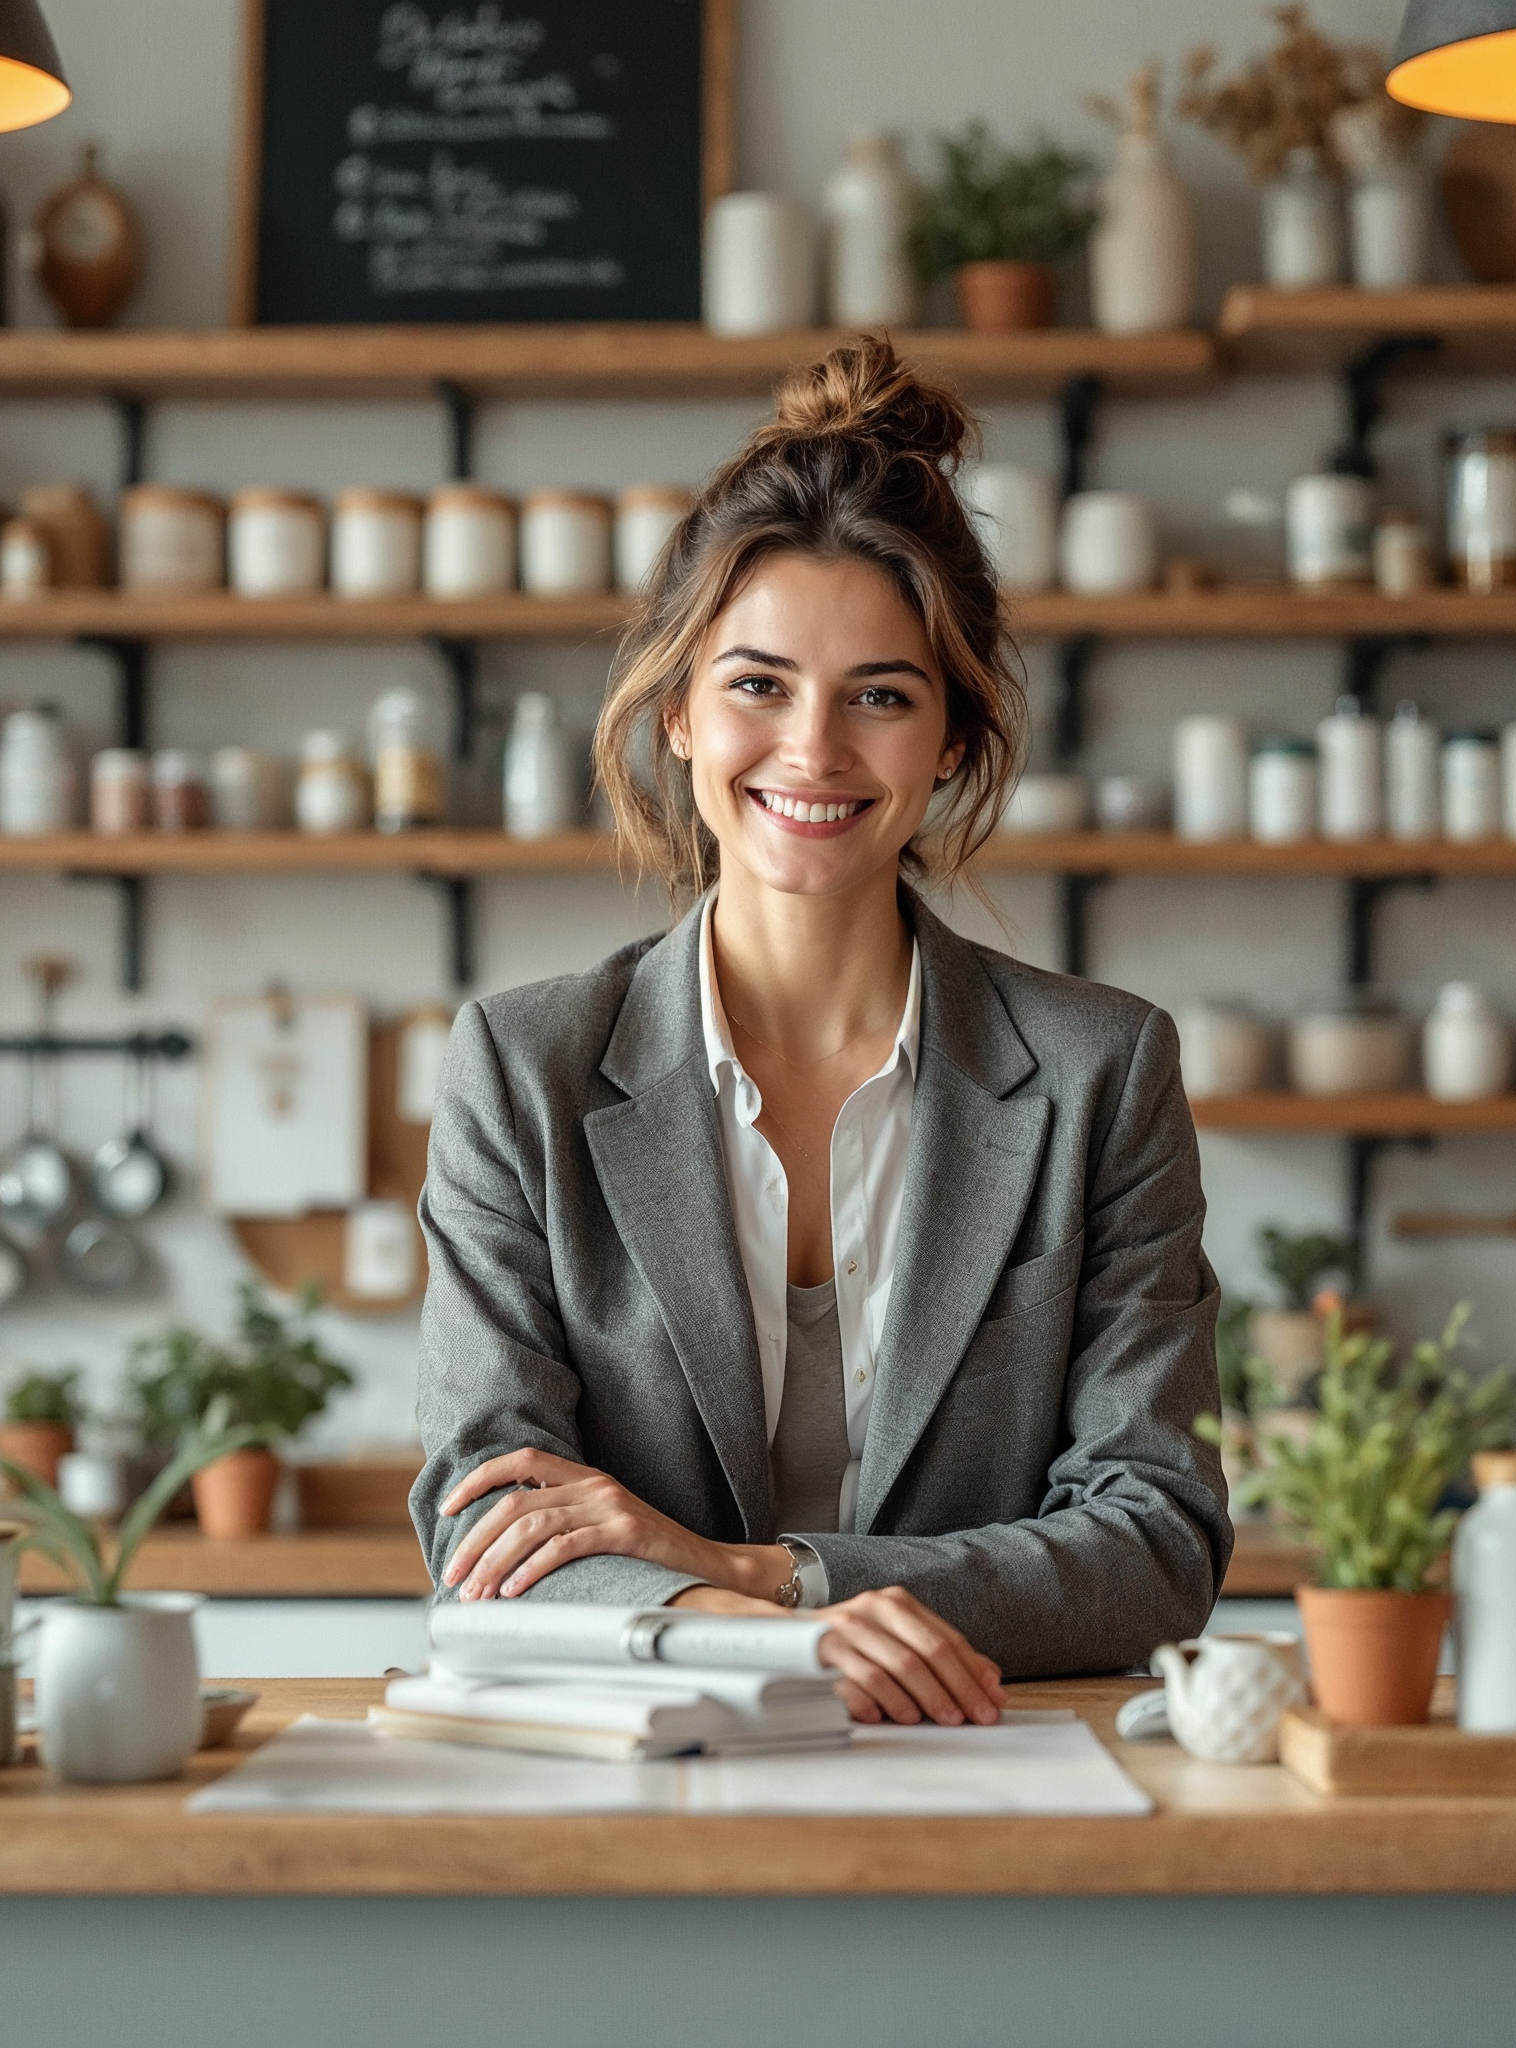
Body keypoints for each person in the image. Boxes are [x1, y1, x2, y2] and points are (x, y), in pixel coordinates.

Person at [412, 335, 1229, 1726]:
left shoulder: (1102, 1072)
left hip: (988, 1770)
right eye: (758, 684)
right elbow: (485, 1527)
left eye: (882, 696)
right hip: (643, 1763)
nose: (813, 750)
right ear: (678, 708)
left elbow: (1157, 1541)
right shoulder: (523, 1068)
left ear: (954, 738)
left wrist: (771, 1579)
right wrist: (747, 1637)